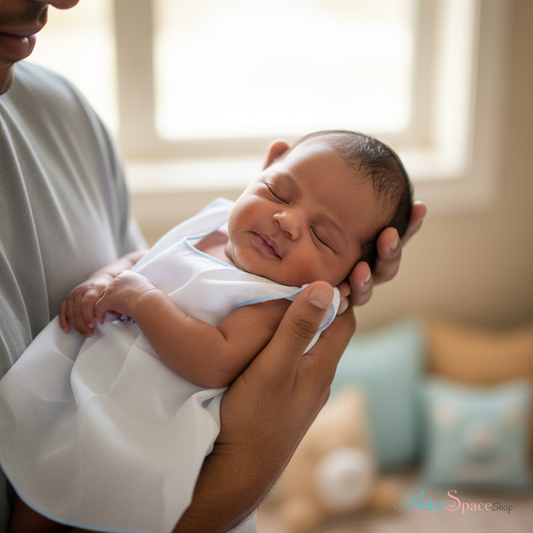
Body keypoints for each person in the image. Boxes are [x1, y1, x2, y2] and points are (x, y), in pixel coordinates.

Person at [0, 1, 427, 532]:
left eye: (321, 235)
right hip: (92, 392)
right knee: (37, 480)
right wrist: (104, 279)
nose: (288, 221)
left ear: (341, 280)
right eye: (278, 191)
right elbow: (144, 258)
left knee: (82, 504)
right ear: (269, 162)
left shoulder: (272, 302)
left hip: (144, 428)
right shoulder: (216, 221)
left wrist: (138, 297)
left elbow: (215, 360)